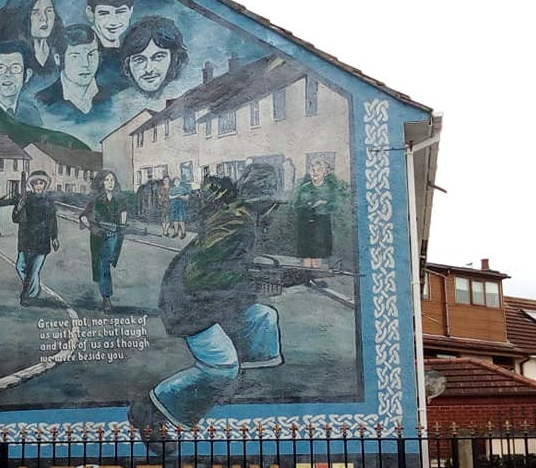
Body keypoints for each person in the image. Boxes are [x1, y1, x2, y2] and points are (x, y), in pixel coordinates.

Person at [128, 166, 284, 434]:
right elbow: (200, 276)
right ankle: (150, 408)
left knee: (264, 318)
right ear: (266, 204)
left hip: (209, 300)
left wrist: (251, 278)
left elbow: (226, 265)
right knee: (221, 368)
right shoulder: (238, 225)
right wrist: (250, 284)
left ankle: (236, 381)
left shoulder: (240, 218)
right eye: (274, 204)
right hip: (191, 306)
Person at [36, 24, 111, 120]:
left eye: (91, 55)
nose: (85, 64)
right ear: (58, 59)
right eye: (75, 56)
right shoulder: (42, 101)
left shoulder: (111, 97)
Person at [79, 170, 128, 313]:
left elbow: (123, 212)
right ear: (101, 182)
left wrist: (122, 226)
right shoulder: (96, 199)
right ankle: (107, 299)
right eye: (107, 180)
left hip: (114, 235)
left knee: (106, 263)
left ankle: (106, 296)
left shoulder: (119, 198)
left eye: (112, 180)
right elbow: (83, 216)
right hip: (99, 237)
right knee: (103, 265)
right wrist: (92, 228)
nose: (110, 183)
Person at [0, 0, 62, 89]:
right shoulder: (11, 56)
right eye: (35, 12)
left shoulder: (60, 48)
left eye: (49, 10)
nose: (44, 18)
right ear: (21, 17)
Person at [291, 154, 349, 268]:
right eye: (312, 170)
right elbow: (296, 205)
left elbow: (336, 205)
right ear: (309, 171)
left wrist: (322, 205)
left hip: (321, 225)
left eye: (319, 170)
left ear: (325, 172)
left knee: (318, 256)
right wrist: (307, 207)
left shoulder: (330, 188)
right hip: (305, 225)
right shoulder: (304, 187)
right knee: (306, 256)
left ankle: (316, 275)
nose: (315, 172)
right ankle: (306, 276)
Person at [84, 0, 137, 91]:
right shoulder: (83, 53)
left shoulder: (130, 50)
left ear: (130, 12)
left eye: (120, 12)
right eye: (104, 13)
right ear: (90, 13)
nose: (113, 21)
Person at [12, 170, 59, 305]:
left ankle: (28, 295)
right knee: (20, 266)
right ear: (32, 185)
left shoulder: (49, 201)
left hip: (41, 240)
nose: (38, 186)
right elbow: (15, 219)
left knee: (33, 269)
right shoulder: (25, 199)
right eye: (36, 183)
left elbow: (52, 221)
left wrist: (54, 237)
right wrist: (18, 208)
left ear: (45, 185)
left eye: (41, 183)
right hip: (26, 239)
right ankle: (34, 289)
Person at [120, 16, 189, 96]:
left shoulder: (186, 93)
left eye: (158, 57)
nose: (148, 69)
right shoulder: (118, 100)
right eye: (139, 60)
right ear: (127, 64)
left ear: (174, 59)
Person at [0, 39, 42, 125]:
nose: (8, 74)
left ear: (27, 75)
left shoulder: (32, 114)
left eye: (15, 68)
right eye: (1, 68)